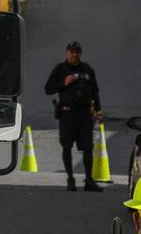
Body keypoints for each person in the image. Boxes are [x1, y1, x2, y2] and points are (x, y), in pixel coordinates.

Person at [42, 41, 103, 192]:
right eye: (71, 52)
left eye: (77, 52)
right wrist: (64, 83)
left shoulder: (87, 69)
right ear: (67, 53)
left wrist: (98, 111)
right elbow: (48, 89)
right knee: (67, 147)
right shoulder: (61, 69)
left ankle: (89, 180)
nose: (74, 55)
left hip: (84, 114)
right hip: (67, 115)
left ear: (80, 54)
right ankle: (70, 179)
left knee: (88, 147)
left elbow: (95, 92)